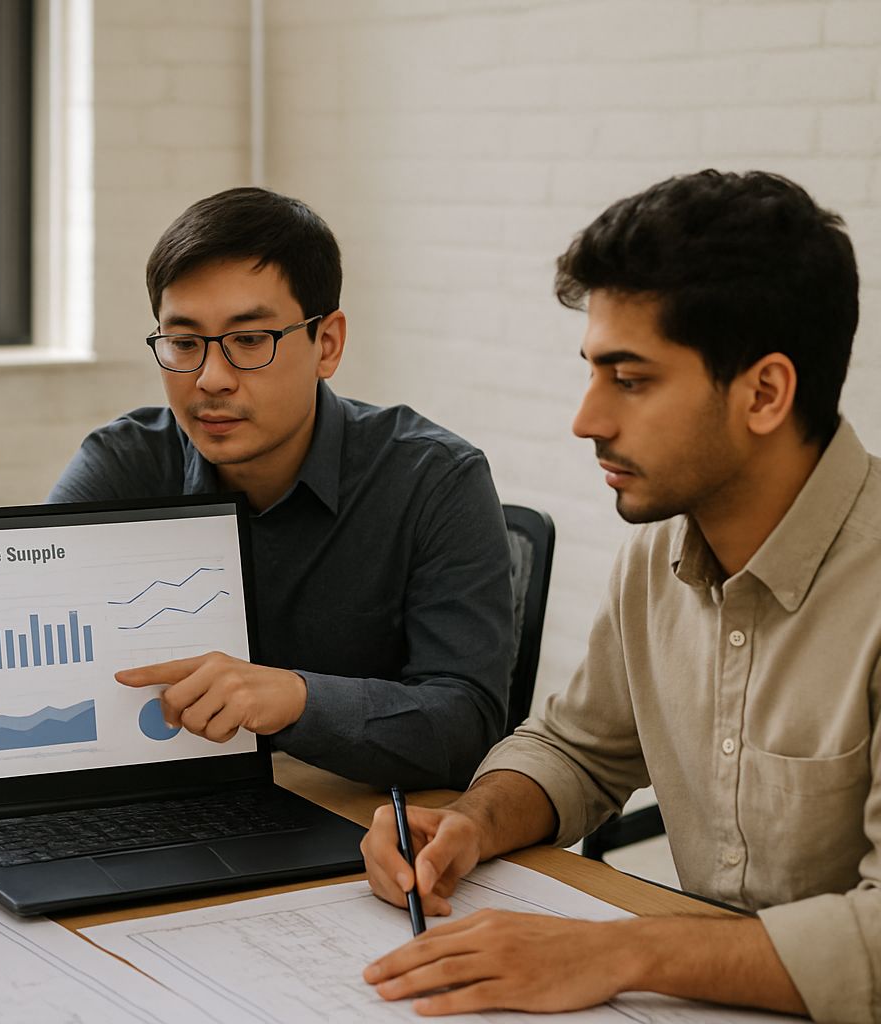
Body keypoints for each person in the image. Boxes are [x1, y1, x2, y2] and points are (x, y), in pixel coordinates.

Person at [360, 170, 879, 1022]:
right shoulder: (659, 553)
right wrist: (474, 822)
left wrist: (621, 950)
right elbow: (578, 748)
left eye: (629, 379)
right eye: (592, 372)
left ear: (765, 393)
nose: (586, 418)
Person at [49, 187, 514, 788]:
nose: (211, 380)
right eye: (184, 344)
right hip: (167, 806)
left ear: (327, 344)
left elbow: (469, 724)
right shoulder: (121, 466)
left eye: (250, 341)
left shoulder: (434, 481)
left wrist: (297, 700)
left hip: (354, 825)